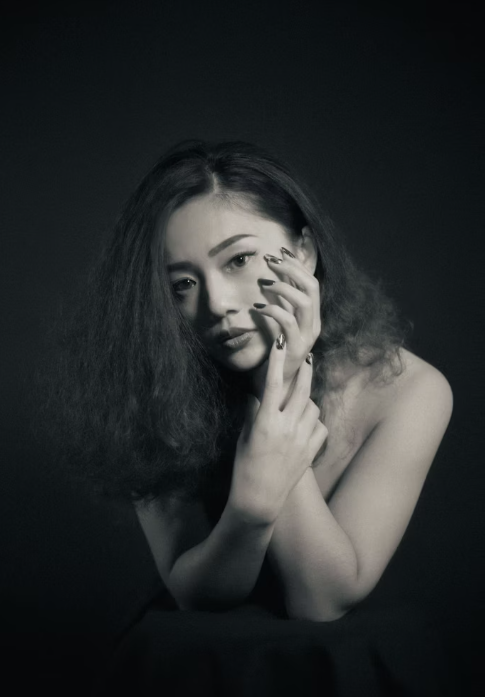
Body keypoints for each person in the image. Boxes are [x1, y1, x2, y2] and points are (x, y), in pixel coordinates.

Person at [43, 139, 453, 623]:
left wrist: (275, 386)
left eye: (238, 260)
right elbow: (194, 595)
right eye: (183, 284)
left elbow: (321, 600)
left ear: (303, 252)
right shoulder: (150, 388)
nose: (217, 304)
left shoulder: (408, 391)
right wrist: (251, 510)